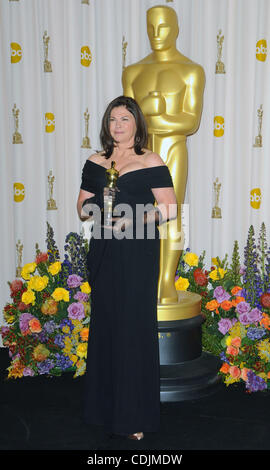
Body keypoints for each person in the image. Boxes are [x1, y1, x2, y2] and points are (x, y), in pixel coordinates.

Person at [77, 95, 177, 440]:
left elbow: (169, 209)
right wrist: (98, 207)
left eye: (124, 120)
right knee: (107, 325)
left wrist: (131, 222)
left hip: (138, 251)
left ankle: (134, 416)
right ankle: (103, 409)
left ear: (137, 124)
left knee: (133, 328)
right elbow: (81, 208)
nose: (117, 126)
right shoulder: (95, 161)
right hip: (105, 250)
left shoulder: (150, 160)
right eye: (112, 120)